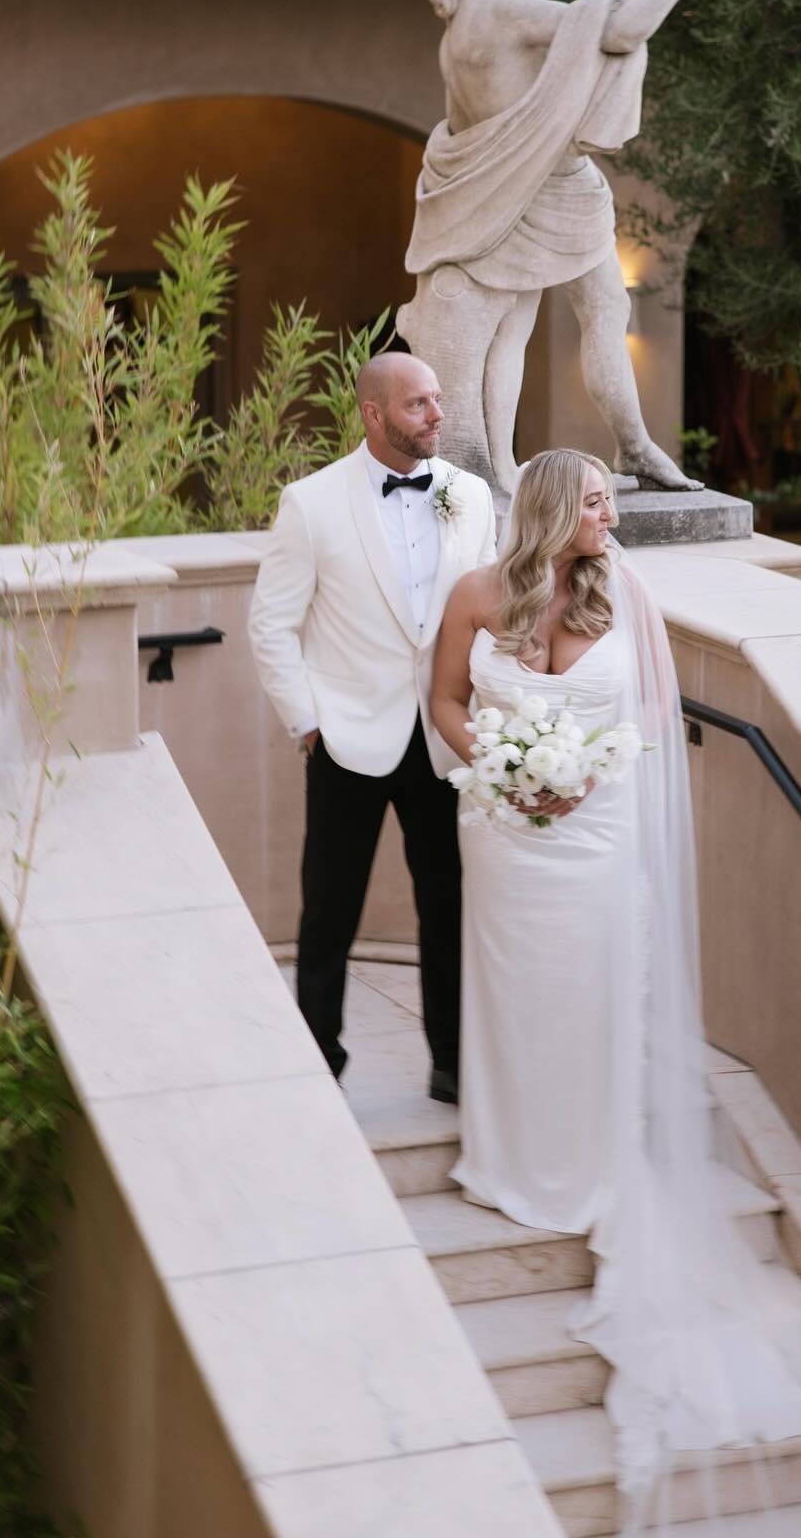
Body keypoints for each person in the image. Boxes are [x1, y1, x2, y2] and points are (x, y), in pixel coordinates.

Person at [430, 450, 801, 1528]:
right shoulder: (476, 594)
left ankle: (598, 1159)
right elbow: (441, 702)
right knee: (518, 997)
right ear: (552, 512)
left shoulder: (633, 595)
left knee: (597, 993)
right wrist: (506, 769)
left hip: (598, 831)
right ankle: (516, 1153)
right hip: (506, 836)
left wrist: (579, 775)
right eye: (599, 500)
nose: (613, 514)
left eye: (613, 498)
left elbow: (654, 723)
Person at [397, 0, 706, 492]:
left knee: (515, 328)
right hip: (551, 189)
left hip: (502, 193)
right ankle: (634, 448)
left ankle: (507, 468)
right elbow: (618, 31)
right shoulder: (510, 11)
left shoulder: (456, 34)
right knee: (602, 311)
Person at [249, 352, 496, 1104]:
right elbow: (270, 625)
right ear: (374, 414)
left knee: (448, 903)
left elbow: (485, 608)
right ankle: (320, 1058)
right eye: (419, 403)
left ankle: (451, 1060)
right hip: (346, 741)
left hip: (443, 737)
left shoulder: (472, 495)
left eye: (437, 399)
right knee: (329, 910)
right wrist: (309, 725)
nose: (437, 414)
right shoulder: (311, 502)